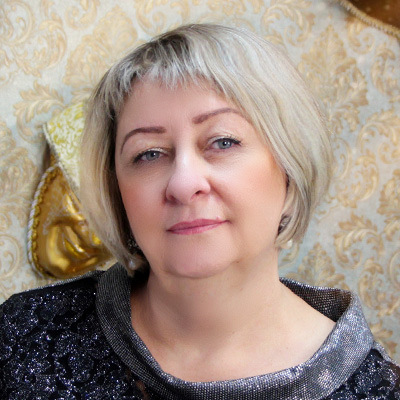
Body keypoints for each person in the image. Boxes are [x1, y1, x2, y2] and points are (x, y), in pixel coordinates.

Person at [0, 24, 399, 399]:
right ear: (116, 192)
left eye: (223, 141)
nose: (183, 182)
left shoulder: (378, 390)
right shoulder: (23, 336)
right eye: (148, 153)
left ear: (290, 172)